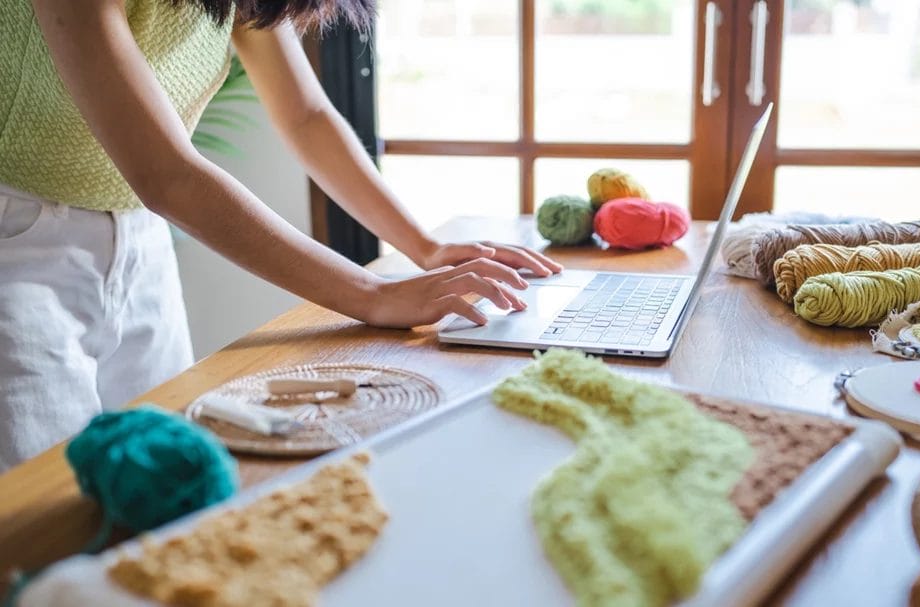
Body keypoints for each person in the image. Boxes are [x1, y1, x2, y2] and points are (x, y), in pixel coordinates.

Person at [0, 0, 562, 472]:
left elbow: (307, 115)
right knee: (32, 505)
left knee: (158, 470)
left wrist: (424, 246)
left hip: (139, 240)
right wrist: (372, 294)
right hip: (16, 248)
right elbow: (167, 176)